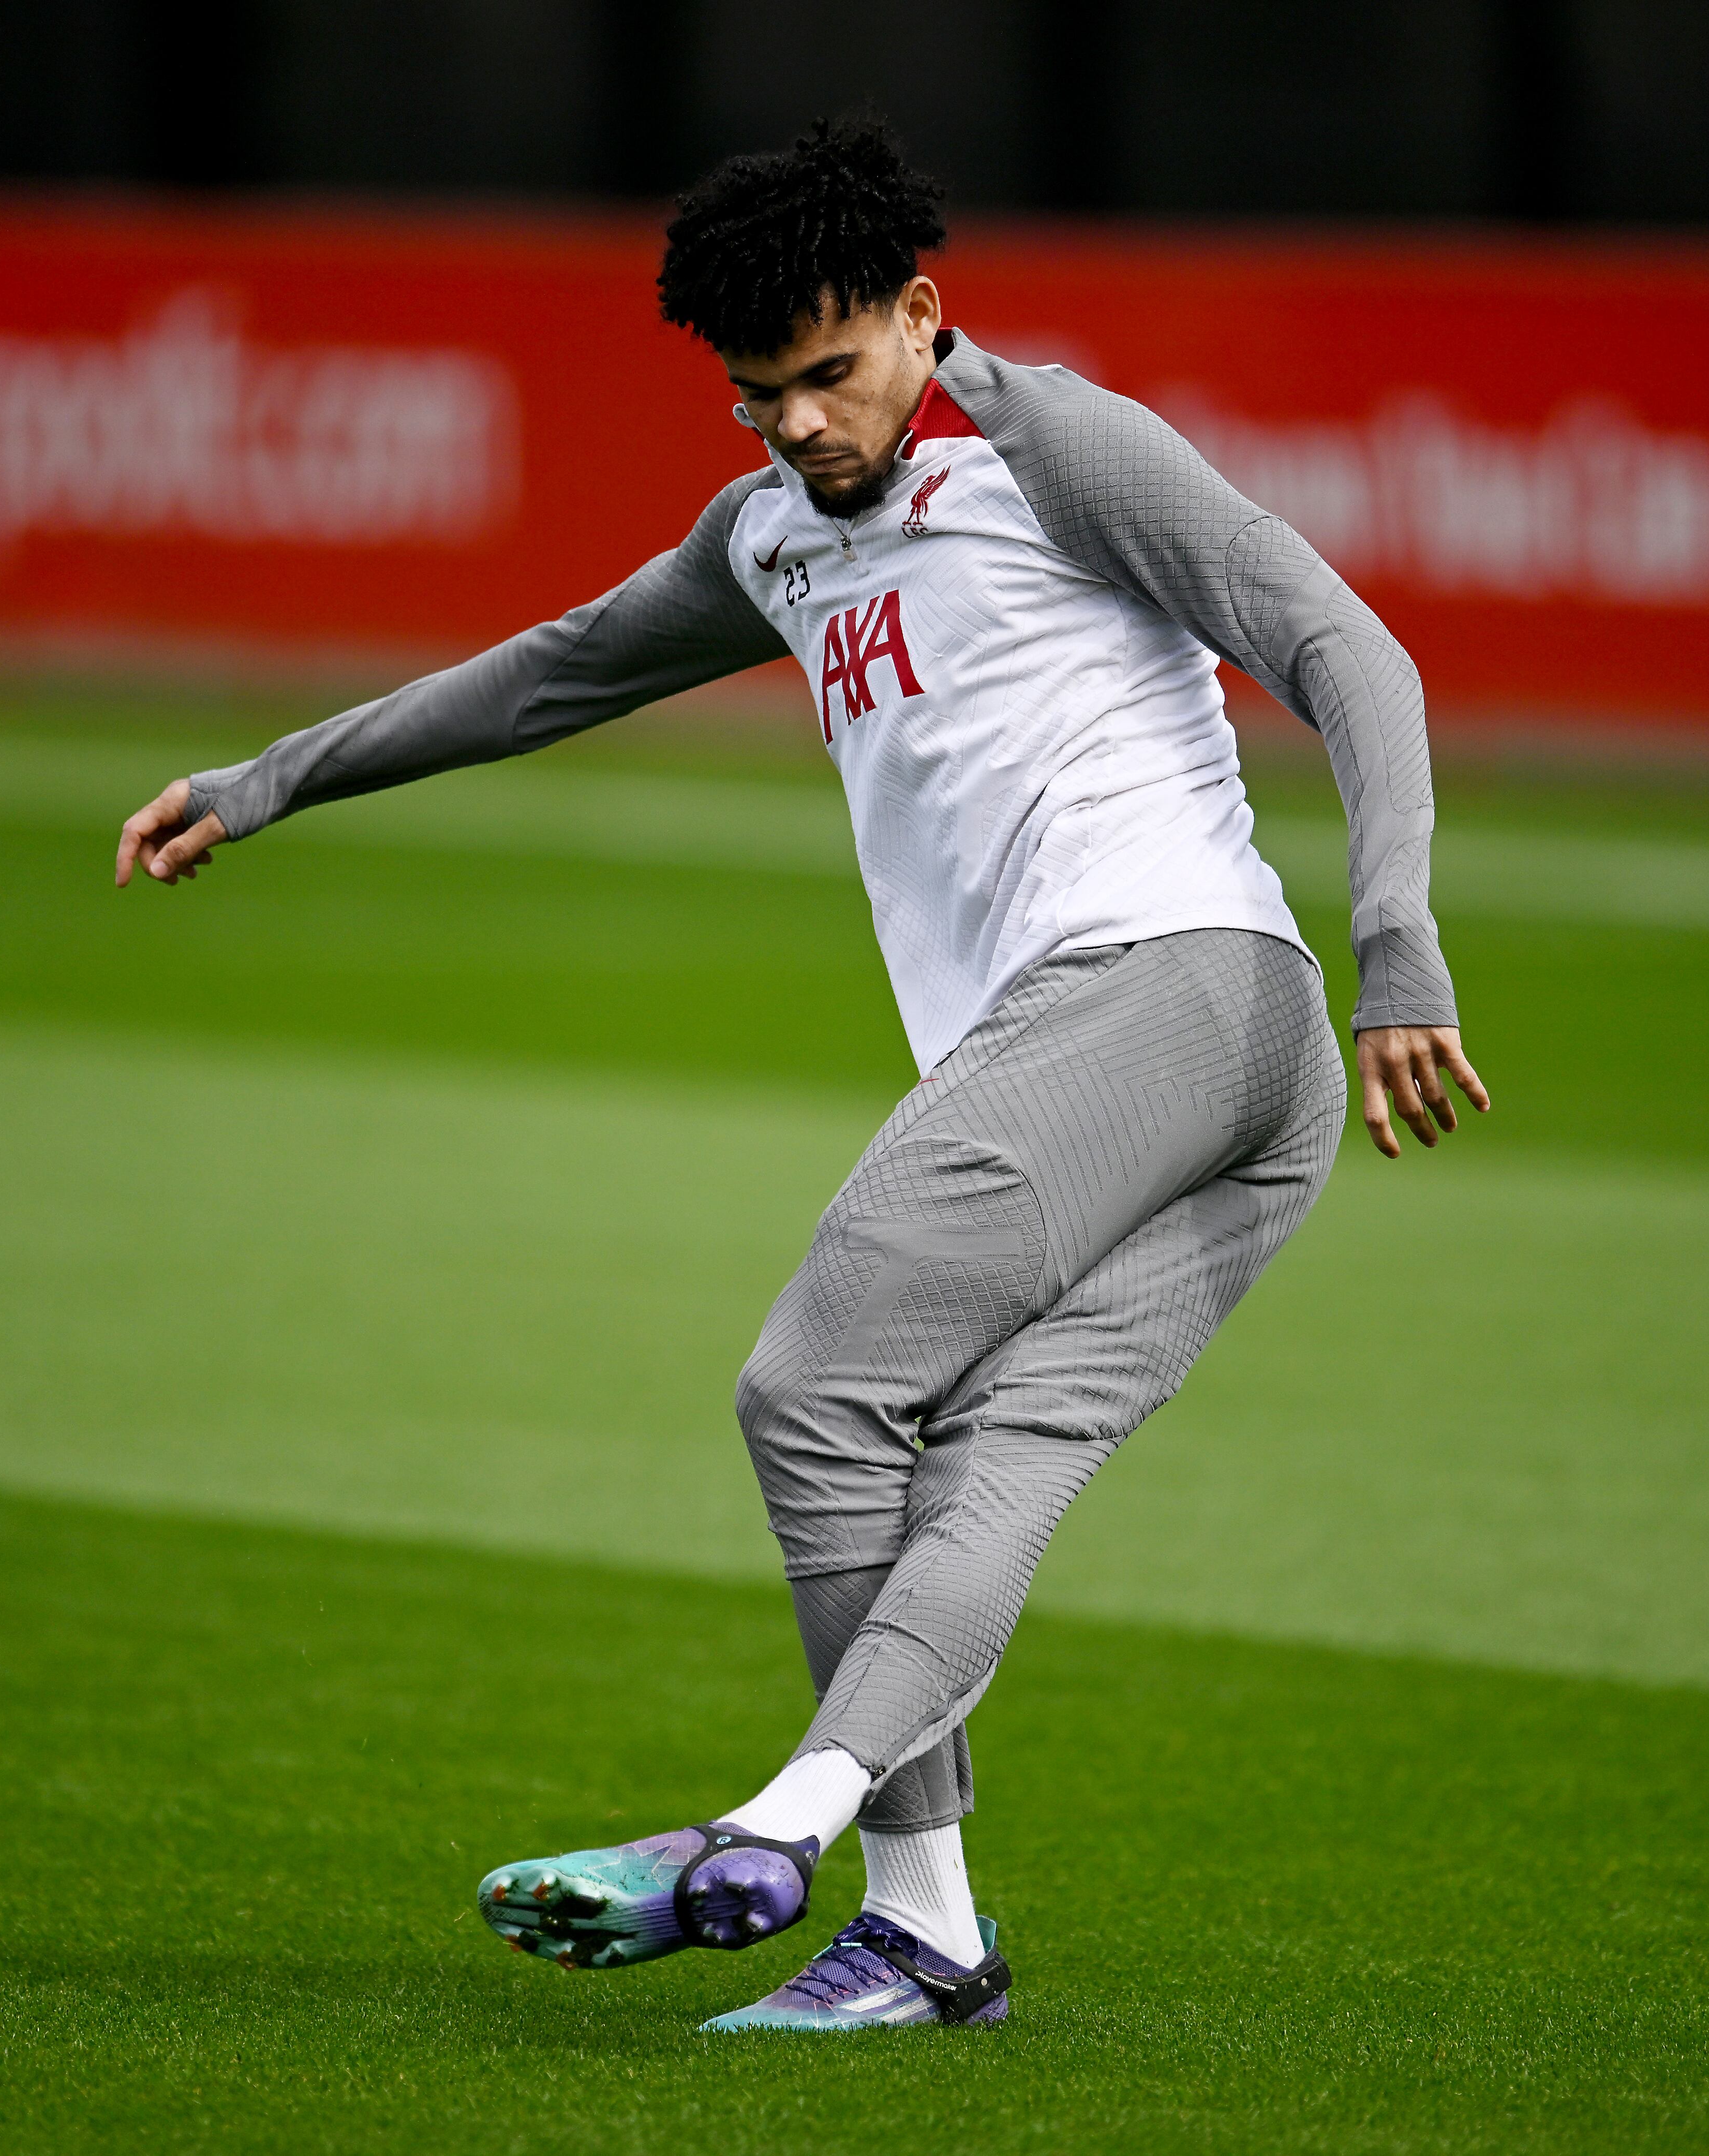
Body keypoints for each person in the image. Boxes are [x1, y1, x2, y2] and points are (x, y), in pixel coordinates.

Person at [115, 117, 1487, 2034]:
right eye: (763, 397)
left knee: (814, 1386)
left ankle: (768, 1834)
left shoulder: (1053, 445)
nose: (803, 427)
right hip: (1221, 1097)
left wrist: (1398, 946)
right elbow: (549, 673)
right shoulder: (768, 534)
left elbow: (1346, 646)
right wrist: (280, 776)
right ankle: (910, 1930)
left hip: (1174, 985)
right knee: (981, 1459)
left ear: (923, 316)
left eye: (833, 375)